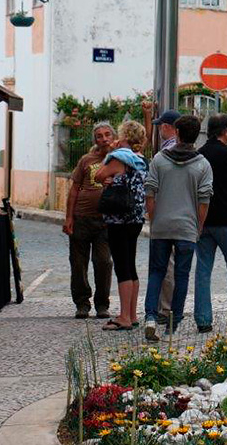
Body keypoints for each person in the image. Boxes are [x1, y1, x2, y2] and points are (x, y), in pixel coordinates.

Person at [143, 115, 213, 341]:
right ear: (196, 136)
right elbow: (204, 202)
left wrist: (154, 220)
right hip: (187, 227)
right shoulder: (203, 165)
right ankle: (173, 324)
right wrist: (198, 226)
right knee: (182, 276)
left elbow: (150, 193)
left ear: (177, 133)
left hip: (162, 225)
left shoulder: (159, 160)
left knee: (156, 272)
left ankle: (151, 317)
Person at [194, 113, 227, 333]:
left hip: (203, 220)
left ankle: (204, 320)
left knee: (203, 270)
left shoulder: (199, 155)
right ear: (226, 131)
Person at [94, 121, 148, 331]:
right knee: (130, 265)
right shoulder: (141, 159)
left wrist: (114, 155)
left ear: (125, 135)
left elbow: (98, 175)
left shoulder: (120, 158)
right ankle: (132, 314)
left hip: (119, 218)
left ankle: (124, 316)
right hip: (135, 217)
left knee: (122, 267)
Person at [63, 122, 115, 319]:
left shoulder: (118, 159)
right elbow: (74, 189)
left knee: (103, 262)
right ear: (95, 140)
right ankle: (82, 303)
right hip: (81, 218)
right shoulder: (86, 160)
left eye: (107, 134)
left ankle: (102, 304)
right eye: (99, 136)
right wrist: (69, 217)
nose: (103, 139)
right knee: (78, 264)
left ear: (113, 136)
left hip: (105, 221)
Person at [142, 102, 181, 324]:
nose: (158, 129)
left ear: (168, 127)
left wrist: (152, 213)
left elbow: (152, 187)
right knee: (175, 266)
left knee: (164, 266)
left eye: (160, 126)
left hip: (164, 214)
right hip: (181, 215)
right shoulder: (184, 149)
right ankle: (169, 309)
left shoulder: (166, 153)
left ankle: (163, 310)